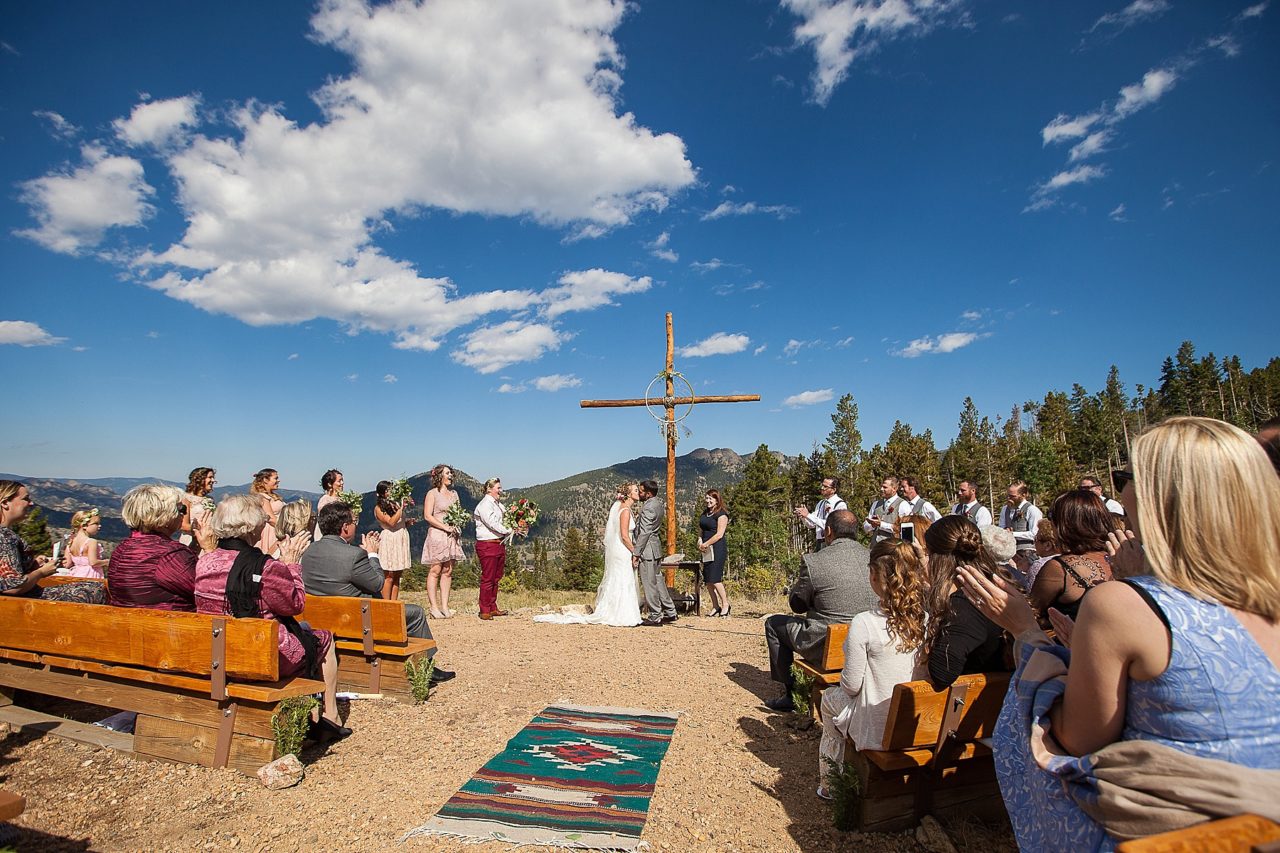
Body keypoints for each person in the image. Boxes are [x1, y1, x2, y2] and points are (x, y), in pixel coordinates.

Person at [959, 417, 1280, 849]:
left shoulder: (1122, 605)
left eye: (1130, 511)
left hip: (1191, 835)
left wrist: (1024, 631)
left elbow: (1072, 742)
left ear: (1167, 506)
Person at [196, 494, 349, 742]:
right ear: (251, 526)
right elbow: (295, 604)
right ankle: (330, 715)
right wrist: (291, 564)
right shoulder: (265, 566)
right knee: (324, 639)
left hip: (218, 650)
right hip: (262, 652)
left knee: (304, 631)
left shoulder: (205, 561)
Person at [817, 538, 929, 798]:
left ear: (875, 575)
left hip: (876, 727)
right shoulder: (924, 618)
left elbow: (852, 686)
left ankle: (830, 783)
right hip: (915, 724)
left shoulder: (864, 623)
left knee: (828, 698)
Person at [302, 502, 454, 683]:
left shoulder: (309, 551)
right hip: (358, 621)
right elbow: (377, 584)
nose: (355, 524)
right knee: (416, 613)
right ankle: (426, 668)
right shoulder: (352, 556)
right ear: (344, 527)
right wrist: (372, 555)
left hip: (322, 620)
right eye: (353, 521)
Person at [763, 510, 877, 712]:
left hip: (827, 644)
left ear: (828, 531)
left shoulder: (814, 561)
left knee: (773, 624)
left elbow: (797, 605)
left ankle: (792, 694)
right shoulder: (873, 556)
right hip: (870, 643)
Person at [534, 483, 642, 627]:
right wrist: (635, 551)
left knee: (620, 578)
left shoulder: (622, 508)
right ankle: (621, 614)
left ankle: (619, 612)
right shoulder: (625, 511)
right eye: (635, 490)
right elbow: (624, 535)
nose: (638, 492)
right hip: (623, 550)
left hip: (620, 549)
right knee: (623, 579)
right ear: (628, 494)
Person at [921, 515, 1009, 689]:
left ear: (937, 559)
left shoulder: (966, 604)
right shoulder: (998, 585)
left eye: (927, 555)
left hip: (976, 708)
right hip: (995, 698)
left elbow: (942, 673)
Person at [108, 484, 214, 610]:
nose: (184, 513)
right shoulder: (170, 554)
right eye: (181, 508)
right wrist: (209, 550)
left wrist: (196, 543)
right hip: (172, 625)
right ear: (164, 514)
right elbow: (208, 591)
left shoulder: (121, 549)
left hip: (129, 624)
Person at [0, 480, 105, 603]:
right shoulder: (5, 538)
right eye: (26, 499)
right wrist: (41, 572)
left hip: (22, 598)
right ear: (5, 503)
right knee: (94, 590)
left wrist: (34, 565)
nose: (31, 503)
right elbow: (12, 586)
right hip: (22, 602)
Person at [1028, 490, 1115, 623]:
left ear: (1064, 525)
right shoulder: (1122, 558)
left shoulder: (1059, 568)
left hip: (1073, 642)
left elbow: (1031, 614)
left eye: (1052, 517)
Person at [421, 464, 466, 618]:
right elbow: (427, 516)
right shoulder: (432, 494)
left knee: (448, 570)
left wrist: (457, 526)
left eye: (451, 473)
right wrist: (445, 527)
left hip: (452, 536)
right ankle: (434, 607)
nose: (451, 476)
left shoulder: (454, 494)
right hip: (437, 534)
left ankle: (445, 607)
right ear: (439, 476)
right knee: (435, 570)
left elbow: (458, 512)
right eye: (447, 473)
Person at [474, 477, 522, 620]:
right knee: (488, 578)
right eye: (498, 488)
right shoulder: (484, 505)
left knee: (496, 577)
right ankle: (484, 609)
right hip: (487, 544)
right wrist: (509, 530)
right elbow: (493, 524)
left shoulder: (498, 505)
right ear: (489, 489)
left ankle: (493, 607)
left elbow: (506, 517)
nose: (500, 490)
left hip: (498, 543)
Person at [632, 479, 675, 627]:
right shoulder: (658, 503)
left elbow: (645, 533)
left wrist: (636, 553)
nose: (640, 493)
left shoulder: (648, 508)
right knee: (658, 581)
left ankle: (655, 615)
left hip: (648, 551)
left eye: (642, 491)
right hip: (656, 549)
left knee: (649, 583)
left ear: (649, 494)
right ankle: (670, 611)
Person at [374, 480, 411, 601]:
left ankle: (394, 603)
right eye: (388, 490)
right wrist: (401, 509)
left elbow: (398, 523)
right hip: (389, 540)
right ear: (382, 493)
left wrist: (407, 523)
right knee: (389, 575)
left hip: (400, 538)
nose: (391, 492)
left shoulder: (394, 504)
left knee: (397, 574)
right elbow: (390, 522)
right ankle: (385, 602)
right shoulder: (379, 508)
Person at [698, 488, 731, 618]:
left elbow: (719, 534)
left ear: (717, 500)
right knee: (708, 580)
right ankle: (715, 606)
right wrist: (700, 541)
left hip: (717, 548)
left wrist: (706, 543)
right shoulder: (705, 513)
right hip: (706, 549)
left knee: (715, 579)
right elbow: (700, 529)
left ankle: (725, 605)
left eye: (711, 498)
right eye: (707, 498)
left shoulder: (722, 514)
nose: (708, 501)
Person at [794, 476, 847, 550]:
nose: (822, 488)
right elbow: (812, 525)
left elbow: (831, 526)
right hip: (819, 542)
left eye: (825, 486)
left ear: (833, 490)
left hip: (832, 543)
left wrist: (808, 515)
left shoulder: (840, 504)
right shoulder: (821, 503)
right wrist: (803, 516)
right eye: (822, 485)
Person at [999, 480, 1043, 564]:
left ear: (1023, 495)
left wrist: (1013, 534)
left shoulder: (1032, 510)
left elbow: (1035, 534)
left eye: (1012, 496)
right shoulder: (1005, 509)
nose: (1009, 499)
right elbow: (1001, 527)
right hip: (1008, 553)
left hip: (1026, 553)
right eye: (1008, 496)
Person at [64, 508, 109, 579]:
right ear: (84, 526)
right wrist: (106, 562)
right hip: (91, 576)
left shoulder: (71, 542)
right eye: (96, 523)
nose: (99, 526)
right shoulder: (91, 542)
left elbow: (68, 564)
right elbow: (93, 562)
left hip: (76, 575)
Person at [250, 468, 285, 556]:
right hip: (271, 531)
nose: (278, 480)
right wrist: (287, 528)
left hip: (277, 529)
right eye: (275, 478)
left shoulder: (272, 496)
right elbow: (270, 518)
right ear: (266, 480)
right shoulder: (262, 497)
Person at [178, 467, 216, 546]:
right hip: (191, 541)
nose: (213, 481)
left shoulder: (210, 499)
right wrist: (200, 530)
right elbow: (183, 525)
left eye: (213, 478)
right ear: (199, 479)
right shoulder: (186, 499)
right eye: (210, 477)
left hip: (209, 540)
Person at [863, 476, 904, 544]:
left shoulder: (903, 505)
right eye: (882, 486)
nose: (881, 489)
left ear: (894, 489)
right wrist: (871, 525)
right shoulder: (876, 504)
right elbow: (865, 528)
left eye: (885, 487)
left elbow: (903, 529)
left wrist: (881, 524)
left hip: (893, 548)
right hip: (875, 547)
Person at [314, 469, 343, 540]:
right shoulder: (325, 500)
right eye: (339, 481)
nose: (342, 483)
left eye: (342, 480)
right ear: (330, 484)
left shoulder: (342, 499)